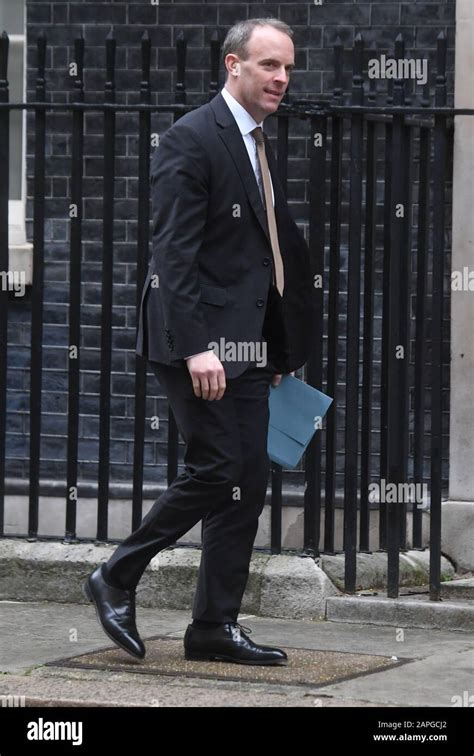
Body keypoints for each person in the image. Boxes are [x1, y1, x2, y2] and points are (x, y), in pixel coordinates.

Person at [84, 18, 314, 666]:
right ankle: (116, 576)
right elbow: (173, 256)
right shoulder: (193, 138)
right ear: (232, 65)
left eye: (289, 68)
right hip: (197, 342)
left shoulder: (256, 141)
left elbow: (256, 254)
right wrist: (198, 348)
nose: (281, 79)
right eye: (269, 65)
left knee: (245, 478)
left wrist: (273, 348)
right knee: (215, 467)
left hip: (246, 346)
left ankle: (214, 626)